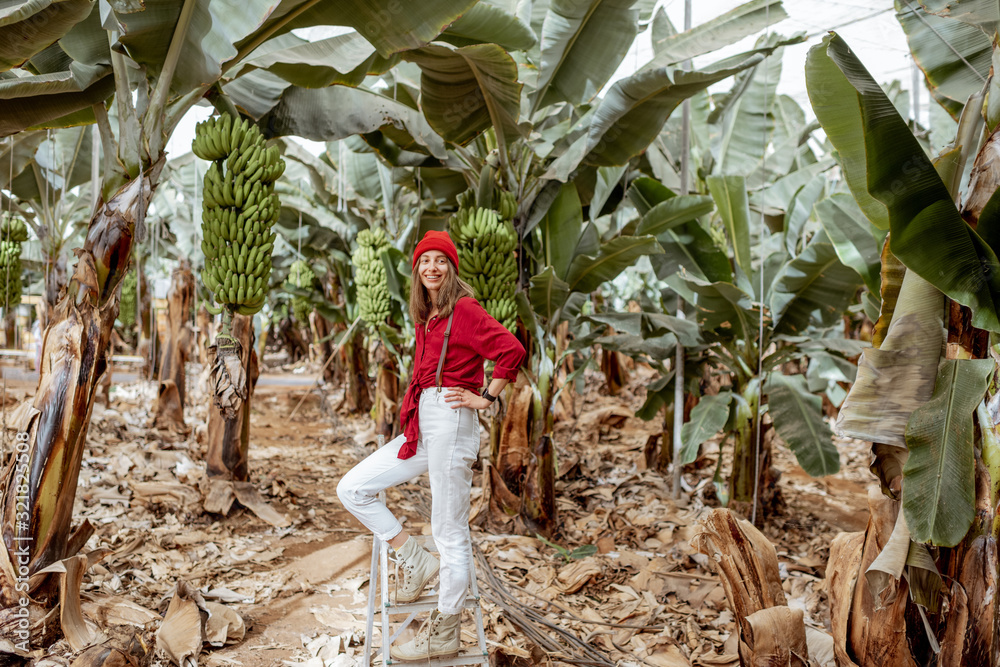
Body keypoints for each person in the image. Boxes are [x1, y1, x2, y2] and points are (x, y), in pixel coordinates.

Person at [337, 230, 526, 660]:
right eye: (426, 261)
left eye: (441, 260)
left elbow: (510, 349)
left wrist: (487, 397)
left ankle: (443, 630)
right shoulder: (429, 314)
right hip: (424, 422)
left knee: (449, 530)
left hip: (454, 419)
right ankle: (412, 556)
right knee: (352, 488)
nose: (433, 268)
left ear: (452, 267)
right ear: (417, 269)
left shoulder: (464, 309)